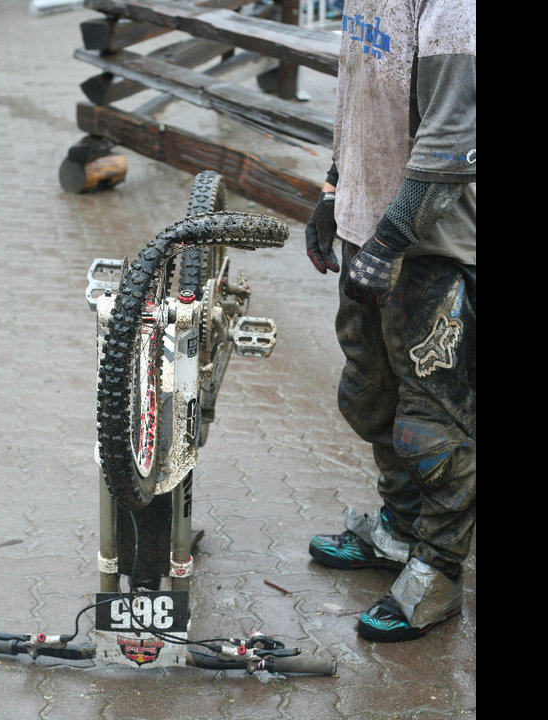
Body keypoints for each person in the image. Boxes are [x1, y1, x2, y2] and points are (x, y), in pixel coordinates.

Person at [304, 0, 476, 642]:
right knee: (370, 398)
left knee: (433, 426)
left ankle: (439, 570)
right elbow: (358, 95)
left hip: (432, 249)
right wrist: (331, 193)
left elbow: (455, 139)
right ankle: (399, 530)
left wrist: (391, 237)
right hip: (366, 231)